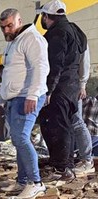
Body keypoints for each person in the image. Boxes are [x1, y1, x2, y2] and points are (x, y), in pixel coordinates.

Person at [0, 9, 49, 199]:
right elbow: (8, 75)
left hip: (27, 96)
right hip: (15, 97)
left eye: (10, 25)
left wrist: (32, 95)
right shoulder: (14, 42)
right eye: (3, 27)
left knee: (21, 137)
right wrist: (0, 101)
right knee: (18, 139)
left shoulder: (32, 38)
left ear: (19, 21)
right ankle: (23, 181)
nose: (6, 30)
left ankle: (36, 183)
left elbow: (40, 67)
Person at [38, 0, 87, 183]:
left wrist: (48, 90)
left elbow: (55, 64)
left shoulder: (57, 33)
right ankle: (66, 165)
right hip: (72, 86)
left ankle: (61, 168)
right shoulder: (75, 30)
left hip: (59, 87)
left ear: (47, 16)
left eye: (43, 16)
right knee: (66, 126)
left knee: (56, 126)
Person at [72, 44, 94, 176]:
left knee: (77, 122)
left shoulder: (77, 37)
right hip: (67, 85)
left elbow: (84, 62)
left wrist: (82, 84)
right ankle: (83, 159)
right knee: (71, 123)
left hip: (73, 85)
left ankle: (87, 160)